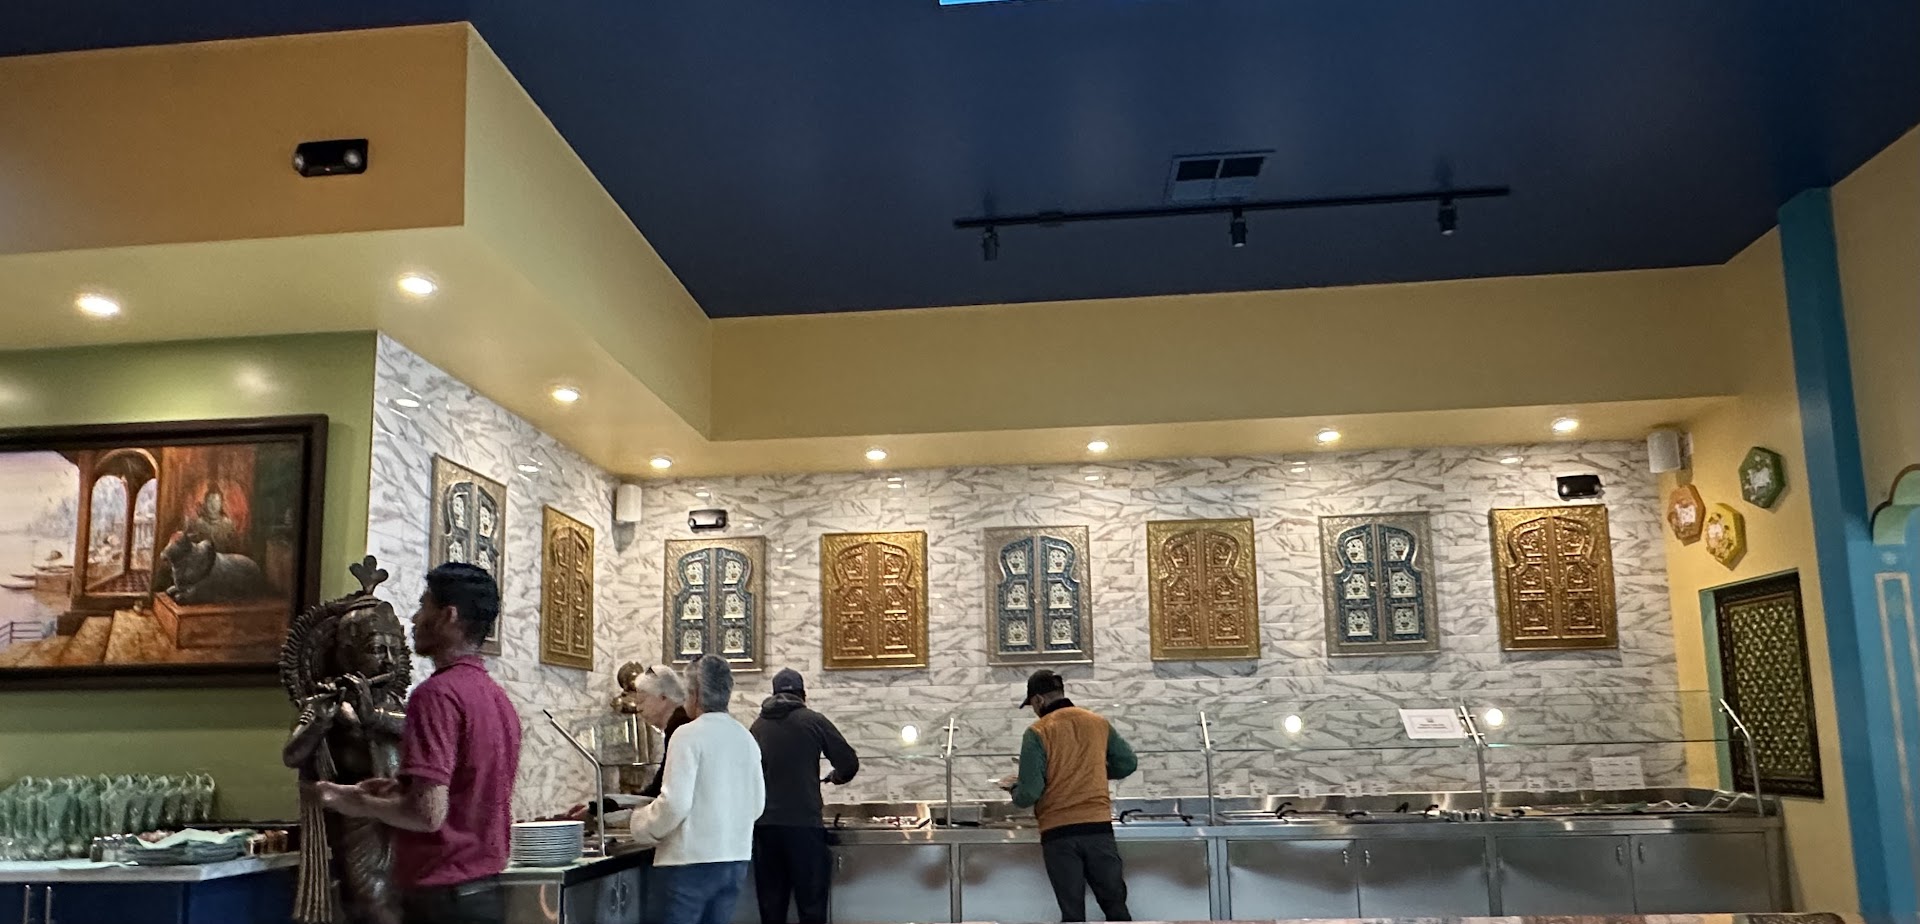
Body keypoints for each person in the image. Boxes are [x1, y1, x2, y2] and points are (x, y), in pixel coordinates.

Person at [316, 562, 522, 924]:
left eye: (423, 606)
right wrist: (400, 788)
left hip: (441, 899)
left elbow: (427, 815)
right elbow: (464, 793)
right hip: (485, 894)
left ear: (448, 616)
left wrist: (351, 801)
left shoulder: (436, 695)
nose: (413, 619)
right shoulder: (497, 699)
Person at [629, 655, 766, 924]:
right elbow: (757, 805)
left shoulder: (686, 735)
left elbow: (674, 804)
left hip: (688, 863)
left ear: (696, 695)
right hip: (735, 860)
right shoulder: (745, 737)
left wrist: (639, 823)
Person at [1001, 669, 1137, 923]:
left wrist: (1013, 789)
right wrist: (1094, 771)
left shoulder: (1038, 732)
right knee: (1116, 907)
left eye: (1032, 705)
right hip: (1098, 829)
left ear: (1039, 700)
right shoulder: (1098, 722)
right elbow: (1127, 763)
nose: (1034, 710)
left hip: (1059, 834)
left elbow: (1029, 792)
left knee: (1072, 914)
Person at [749, 669, 860, 924]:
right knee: (811, 909)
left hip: (765, 828)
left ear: (773, 694)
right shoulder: (813, 721)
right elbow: (848, 763)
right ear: (803, 695)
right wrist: (836, 777)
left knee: (771, 911)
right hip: (804, 827)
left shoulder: (757, 727)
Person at [636, 665, 694, 799]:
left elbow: (664, 787)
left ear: (663, 697)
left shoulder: (680, 726)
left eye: (641, 701)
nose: (638, 708)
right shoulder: (677, 722)